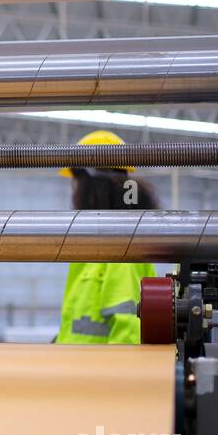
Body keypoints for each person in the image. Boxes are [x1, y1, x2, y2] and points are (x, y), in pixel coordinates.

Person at [56, 130, 160, 344]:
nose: (73, 191)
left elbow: (128, 332)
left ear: (94, 185)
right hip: (78, 371)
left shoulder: (121, 249)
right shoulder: (93, 248)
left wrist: (113, 376)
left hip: (98, 374)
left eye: (76, 182)